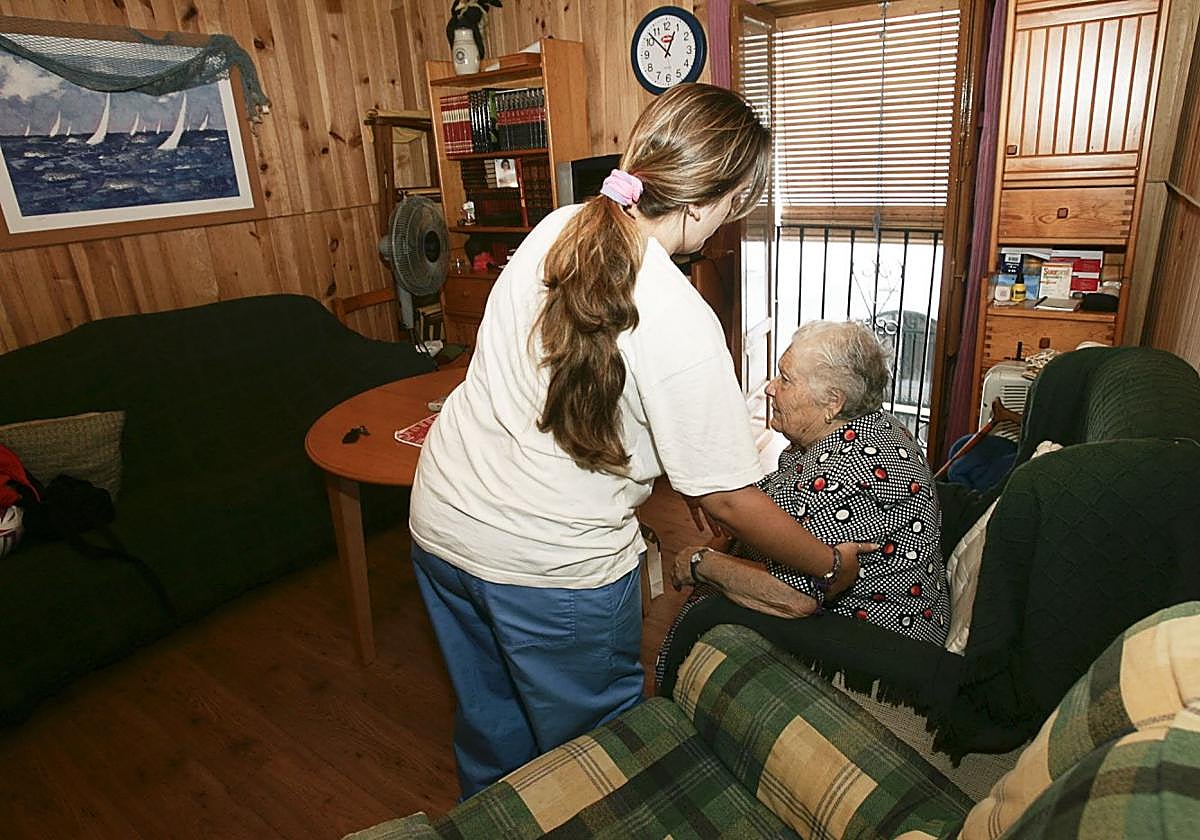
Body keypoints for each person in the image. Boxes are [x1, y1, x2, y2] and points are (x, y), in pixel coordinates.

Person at [408, 84, 875, 799]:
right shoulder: (680, 321)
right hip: (547, 565)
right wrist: (829, 561)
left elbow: (576, 389)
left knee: (492, 726)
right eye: (737, 202)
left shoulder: (556, 227)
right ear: (707, 203)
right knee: (600, 761)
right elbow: (731, 499)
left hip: (442, 522)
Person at [657, 320, 949, 686]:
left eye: (785, 379)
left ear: (832, 402)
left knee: (704, 617)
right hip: (903, 617)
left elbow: (794, 596)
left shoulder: (846, 469)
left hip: (879, 647)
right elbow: (774, 500)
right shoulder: (876, 425)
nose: (770, 387)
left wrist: (701, 563)